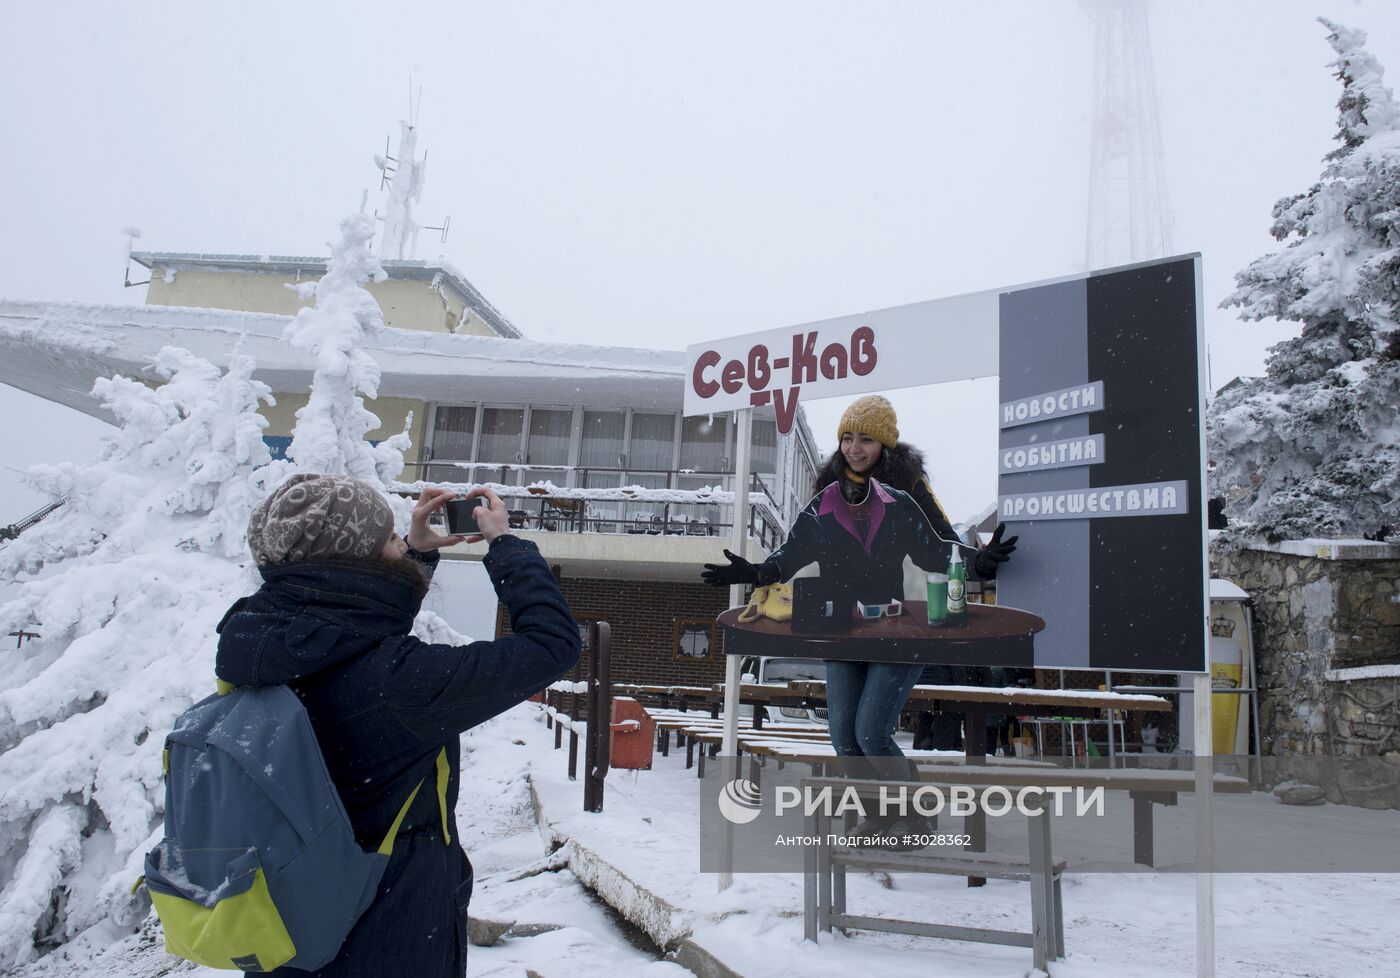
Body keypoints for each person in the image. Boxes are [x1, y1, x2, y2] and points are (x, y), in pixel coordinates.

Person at [215, 474, 581, 978]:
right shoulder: (396, 685)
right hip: (389, 935)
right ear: (356, 563)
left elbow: (352, 633)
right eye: (389, 540)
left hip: (295, 926)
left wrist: (413, 555)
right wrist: (506, 545)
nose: (399, 544)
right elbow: (551, 647)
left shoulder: (258, 642)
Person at [702, 396, 1017, 819]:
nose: (854, 448)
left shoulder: (902, 500)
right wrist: (756, 572)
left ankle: (911, 820)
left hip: (896, 629)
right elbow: (792, 554)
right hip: (843, 630)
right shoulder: (825, 502)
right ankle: (877, 816)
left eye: (865, 439)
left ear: (884, 444)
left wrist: (978, 562)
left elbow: (935, 551)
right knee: (844, 739)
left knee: (871, 734)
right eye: (847, 438)